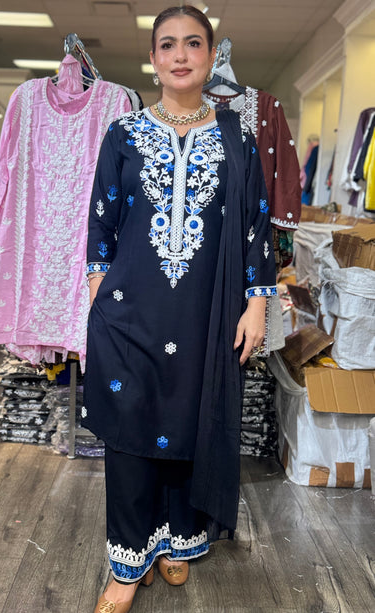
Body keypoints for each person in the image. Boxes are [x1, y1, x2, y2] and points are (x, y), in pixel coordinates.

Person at [83, 6, 277, 612]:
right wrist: (99, 295)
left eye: (193, 43)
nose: (180, 55)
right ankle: (126, 562)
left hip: (204, 313)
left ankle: (173, 542)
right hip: (130, 310)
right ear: (153, 59)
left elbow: (257, 227)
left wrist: (257, 305)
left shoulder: (238, 138)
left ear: (211, 54)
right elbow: (100, 223)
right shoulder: (123, 133)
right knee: (131, 428)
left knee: (190, 422)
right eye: (167, 44)